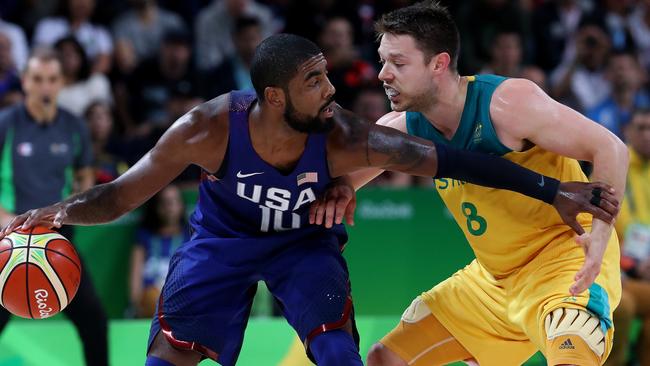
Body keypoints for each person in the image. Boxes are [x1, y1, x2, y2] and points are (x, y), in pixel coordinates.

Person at [1, 34, 619, 366]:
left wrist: (552, 188)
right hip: (225, 243)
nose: (336, 87)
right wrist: (60, 211)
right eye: (314, 81)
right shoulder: (207, 128)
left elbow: (453, 161)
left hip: (303, 245)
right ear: (273, 97)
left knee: (337, 349)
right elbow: (119, 195)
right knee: (168, 353)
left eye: (328, 74)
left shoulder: (347, 132)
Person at [312, 2, 628, 365]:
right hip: (493, 280)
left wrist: (601, 237)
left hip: (565, 259)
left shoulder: (507, 104)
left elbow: (610, 148)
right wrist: (336, 189)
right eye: (383, 61)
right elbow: (338, 181)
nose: (383, 74)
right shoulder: (403, 128)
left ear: (439, 64)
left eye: (398, 63)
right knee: (386, 358)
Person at [0, 50, 108, 366]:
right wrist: (6, 221)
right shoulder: (6, 124)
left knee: (93, 318)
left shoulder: (74, 126)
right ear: (24, 82)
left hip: (56, 237)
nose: (44, 87)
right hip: (10, 237)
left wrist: (72, 206)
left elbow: (84, 176)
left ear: (61, 83)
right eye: (37, 79)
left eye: (51, 80)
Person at [606, 109, 650, 366]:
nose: (647, 135)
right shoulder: (612, 168)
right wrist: (630, 264)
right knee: (622, 307)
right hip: (616, 274)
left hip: (645, 275)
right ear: (628, 132)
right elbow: (593, 231)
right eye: (641, 128)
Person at [129, 184, 189, 318]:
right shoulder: (144, 236)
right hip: (151, 299)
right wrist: (136, 303)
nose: (170, 207)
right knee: (152, 299)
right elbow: (136, 273)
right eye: (165, 202)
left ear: (181, 205)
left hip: (181, 297)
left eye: (174, 201)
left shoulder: (189, 236)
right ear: (156, 207)